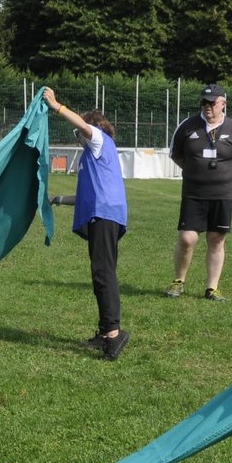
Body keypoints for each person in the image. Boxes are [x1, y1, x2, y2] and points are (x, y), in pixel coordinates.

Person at [42, 87, 130, 360]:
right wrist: (55, 200)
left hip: (105, 215)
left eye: (79, 132)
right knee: (100, 273)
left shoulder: (99, 140)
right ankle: (105, 331)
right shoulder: (93, 156)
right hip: (100, 213)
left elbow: (84, 127)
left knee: (103, 274)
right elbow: (83, 196)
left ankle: (114, 334)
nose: (77, 136)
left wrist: (56, 106)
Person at [166, 83, 232, 301]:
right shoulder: (187, 126)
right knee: (187, 238)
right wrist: (195, 172)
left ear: (223, 103)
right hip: (194, 193)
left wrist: (223, 176)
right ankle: (178, 281)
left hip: (223, 194)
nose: (207, 106)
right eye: (204, 102)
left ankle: (212, 288)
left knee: (216, 239)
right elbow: (177, 155)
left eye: (212, 102)